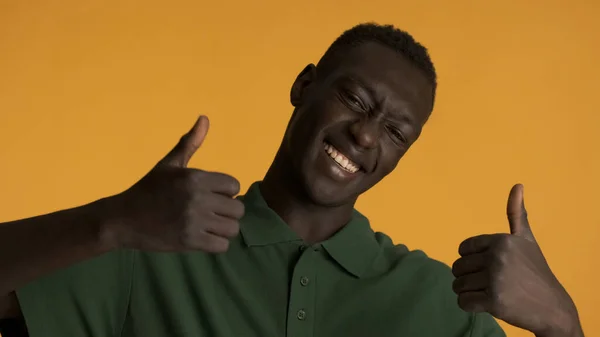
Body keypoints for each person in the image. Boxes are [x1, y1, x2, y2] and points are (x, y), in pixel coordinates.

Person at [0, 23, 584, 337]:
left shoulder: (445, 305)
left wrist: (563, 327)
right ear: (304, 85)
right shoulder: (151, 243)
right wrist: (109, 223)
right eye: (354, 98)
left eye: (396, 133)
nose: (365, 136)